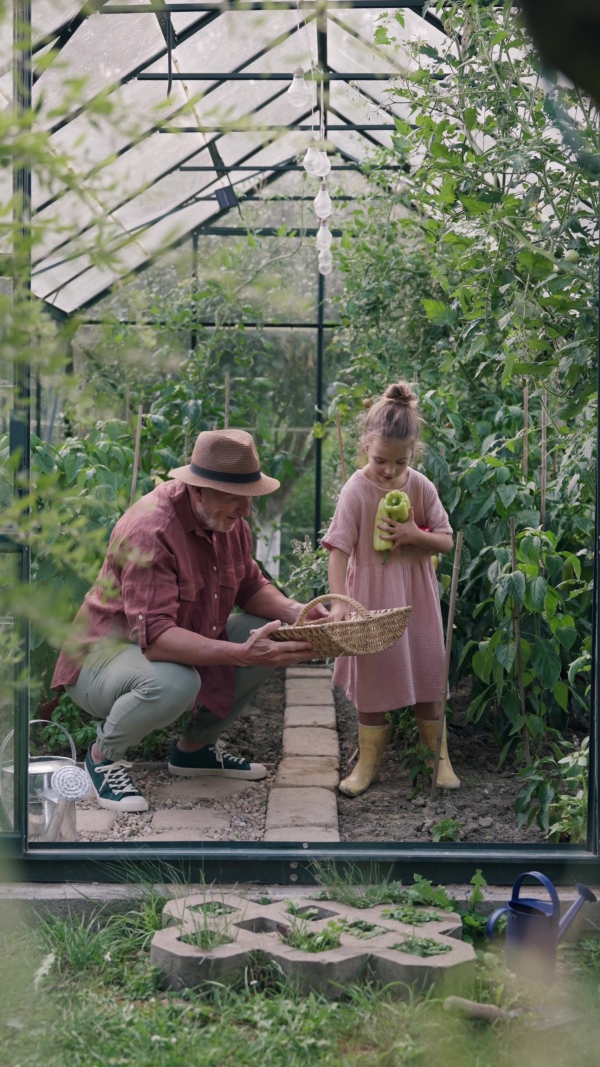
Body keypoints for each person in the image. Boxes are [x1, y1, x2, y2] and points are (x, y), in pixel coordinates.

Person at [51, 428, 324, 813]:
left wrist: (299, 613)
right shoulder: (151, 530)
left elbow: (250, 586)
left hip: (167, 646)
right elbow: (157, 638)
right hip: (102, 660)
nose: (245, 511)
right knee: (176, 680)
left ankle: (193, 750)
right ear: (198, 490)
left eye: (248, 499)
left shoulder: (228, 522)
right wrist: (240, 654)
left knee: (274, 635)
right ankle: (102, 757)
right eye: (234, 499)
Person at [322, 381, 460, 797]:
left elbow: (446, 538)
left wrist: (412, 533)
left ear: (412, 454)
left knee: (429, 672)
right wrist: (339, 606)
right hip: (370, 595)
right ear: (365, 446)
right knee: (374, 680)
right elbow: (338, 550)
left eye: (399, 463)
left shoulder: (419, 487)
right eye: (381, 460)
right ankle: (368, 763)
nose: (388, 471)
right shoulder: (356, 491)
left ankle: (439, 759)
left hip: (416, 596)